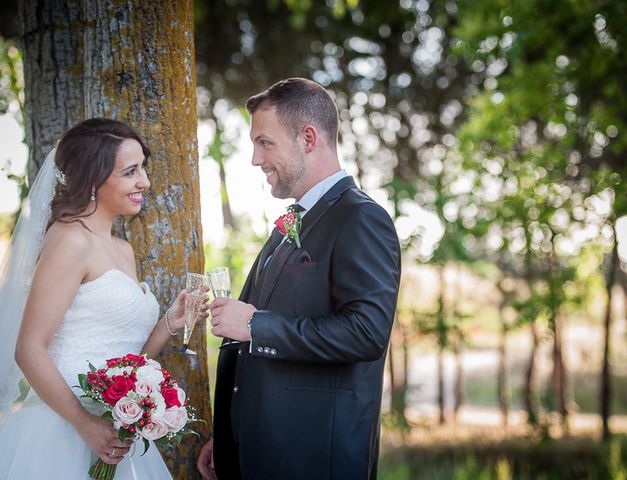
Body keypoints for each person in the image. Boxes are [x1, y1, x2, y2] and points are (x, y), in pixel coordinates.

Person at [197, 78, 401, 479]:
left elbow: (366, 331)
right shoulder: (291, 222)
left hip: (312, 460)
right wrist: (232, 435)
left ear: (308, 138)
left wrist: (256, 325)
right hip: (259, 452)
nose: (256, 159)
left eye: (265, 143)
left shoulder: (360, 218)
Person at [0, 118, 207, 479]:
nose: (144, 181)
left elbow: (127, 360)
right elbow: (29, 348)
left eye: (142, 167)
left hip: (113, 432)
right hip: (62, 429)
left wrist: (170, 322)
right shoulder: (70, 241)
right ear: (93, 179)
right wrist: (84, 424)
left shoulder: (123, 250)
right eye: (130, 171)